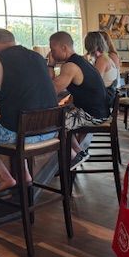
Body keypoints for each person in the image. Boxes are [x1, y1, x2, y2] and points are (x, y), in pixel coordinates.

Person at [0, 29, 57, 193]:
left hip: (20, 135)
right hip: (51, 131)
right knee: (17, 124)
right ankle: (24, 175)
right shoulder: (37, 57)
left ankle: (6, 178)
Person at [48, 31, 110, 167]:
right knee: (60, 115)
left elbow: (51, 90)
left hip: (92, 115)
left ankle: (74, 155)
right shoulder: (81, 61)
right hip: (100, 111)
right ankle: (78, 152)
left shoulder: (70, 66)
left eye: (53, 49)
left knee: (53, 122)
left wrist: (50, 65)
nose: (51, 53)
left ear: (64, 48)